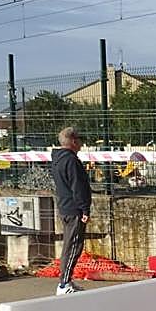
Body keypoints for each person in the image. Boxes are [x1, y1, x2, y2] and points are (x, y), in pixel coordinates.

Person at [51, 126, 91, 295]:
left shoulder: (58, 159)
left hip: (65, 207)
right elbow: (78, 187)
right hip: (74, 209)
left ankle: (66, 280)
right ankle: (64, 283)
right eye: (79, 139)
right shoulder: (71, 161)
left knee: (70, 245)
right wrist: (85, 209)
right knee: (73, 246)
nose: (81, 143)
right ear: (73, 141)